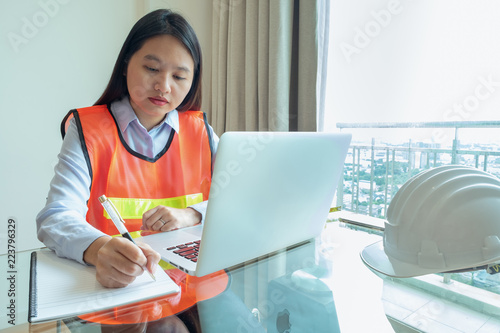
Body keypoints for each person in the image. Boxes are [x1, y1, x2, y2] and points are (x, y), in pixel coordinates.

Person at [36, 9, 218, 290]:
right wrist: (99, 249)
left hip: (197, 283)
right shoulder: (88, 130)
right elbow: (55, 216)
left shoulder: (201, 131)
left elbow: (241, 201)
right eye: (152, 69)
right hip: (124, 288)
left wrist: (192, 214)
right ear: (125, 65)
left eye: (179, 77)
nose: (163, 86)